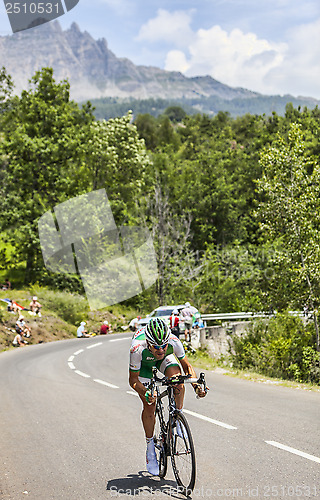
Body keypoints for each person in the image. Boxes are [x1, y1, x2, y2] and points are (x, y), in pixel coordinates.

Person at [129, 317, 207, 476]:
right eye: (156, 346)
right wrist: (146, 392)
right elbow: (133, 380)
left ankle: (177, 417)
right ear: (148, 342)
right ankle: (150, 448)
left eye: (164, 345)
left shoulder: (173, 341)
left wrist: (196, 386)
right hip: (144, 364)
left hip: (164, 362)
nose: (161, 349)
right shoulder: (137, 348)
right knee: (149, 405)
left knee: (178, 382)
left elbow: (187, 367)